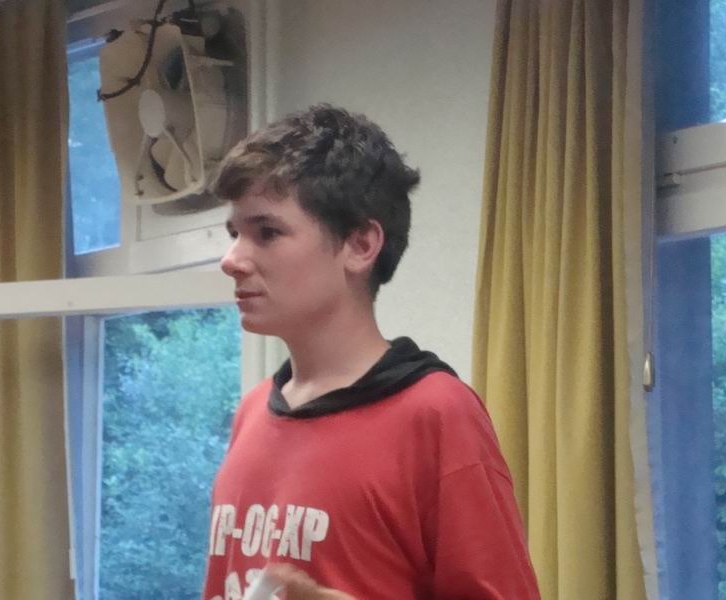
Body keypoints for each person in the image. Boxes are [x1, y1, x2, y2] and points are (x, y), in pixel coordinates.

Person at [202, 104, 540, 599]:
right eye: (235, 234)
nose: (231, 260)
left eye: (267, 232)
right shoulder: (252, 413)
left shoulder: (437, 415)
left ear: (360, 245)